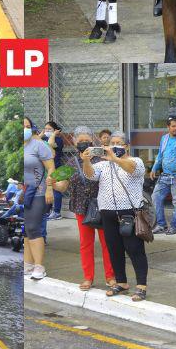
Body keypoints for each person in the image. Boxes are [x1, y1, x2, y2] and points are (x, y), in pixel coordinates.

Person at [79, 131, 148, 301]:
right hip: (107, 212)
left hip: (129, 213)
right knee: (114, 249)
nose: (115, 146)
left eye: (119, 143)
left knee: (134, 249)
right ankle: (121, 282)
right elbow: (90, 175)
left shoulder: (136, 161)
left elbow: (131, 169)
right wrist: (86, 161)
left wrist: (115, 159)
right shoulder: (103, 165)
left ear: (126, 146)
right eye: (112, 143)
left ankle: (141, 286)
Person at [49, 126, 116, 291]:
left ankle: (111, 276)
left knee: (108, 243)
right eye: (80, 141)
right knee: (86, 244)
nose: (84, 143)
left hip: (103, 206)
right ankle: (88, 277)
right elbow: (63, 187)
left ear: (93, 141)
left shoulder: (102, 160)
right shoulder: (70, 163)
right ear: (74, 143)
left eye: (87, 141)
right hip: (81, 207)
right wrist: (52, 184)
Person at [24, 117, 55, 280]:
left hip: (38, 191)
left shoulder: (39, 146)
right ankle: (27, 264)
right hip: (22, 194)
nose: (25, 129)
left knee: (34, 227)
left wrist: (49, 188)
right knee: (26, 229)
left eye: (28, 126)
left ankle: (39, 266)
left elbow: (51, 168)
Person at [43, 122, 66, 219]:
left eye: (49, 129)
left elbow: (51, 144)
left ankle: (57, 212)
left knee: (56, 190)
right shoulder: (44, 138)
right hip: (47, 168)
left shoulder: (58, 140)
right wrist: (43, 133)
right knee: (47, 190)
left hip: (57, 167)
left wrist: (54, 134)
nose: (47, 131)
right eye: (45, 129)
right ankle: (47, 211)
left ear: (55, 130)